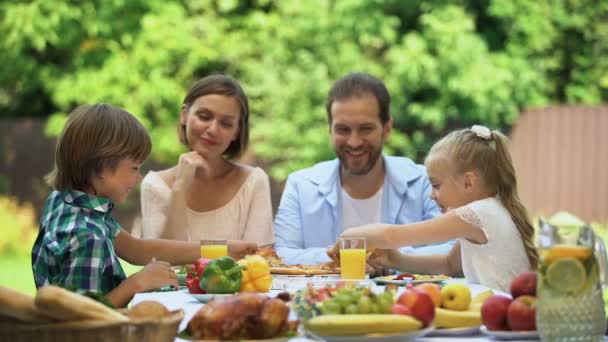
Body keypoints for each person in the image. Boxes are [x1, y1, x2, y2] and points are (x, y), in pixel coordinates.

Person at [31, 104, 255, 308]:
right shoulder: (86, 236)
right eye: (134, 168)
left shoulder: (67, 204)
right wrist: (136, 283)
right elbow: (81, 317)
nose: (138, 178)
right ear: (101, 167)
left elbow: (139, 249)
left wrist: (225, 249)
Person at [274, 72, 453, 265]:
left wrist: (394, 258)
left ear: (387, 129)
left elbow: (453, 248)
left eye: (365, 129)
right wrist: (349, 257)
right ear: (330, 129)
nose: (354, 141)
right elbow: (283, 254)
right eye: (343, 129)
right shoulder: (300, 186)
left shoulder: (424, 182)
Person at [332, 125, 538, 292]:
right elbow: (450, 264)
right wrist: (397, 259)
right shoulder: (490, 210)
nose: (432, 195)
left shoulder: (476, 214)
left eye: (437, 185)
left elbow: (391, 235)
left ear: (468, 183)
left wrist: (348, 237)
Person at [140, 74, 274, 247]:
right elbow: (162, 262)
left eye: (226, 124)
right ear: (184, 115)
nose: (212, 129)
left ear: (237, 132)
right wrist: (180, 187)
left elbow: (258, 260)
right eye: (204, 116)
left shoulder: (254, 181)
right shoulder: (154, 185)